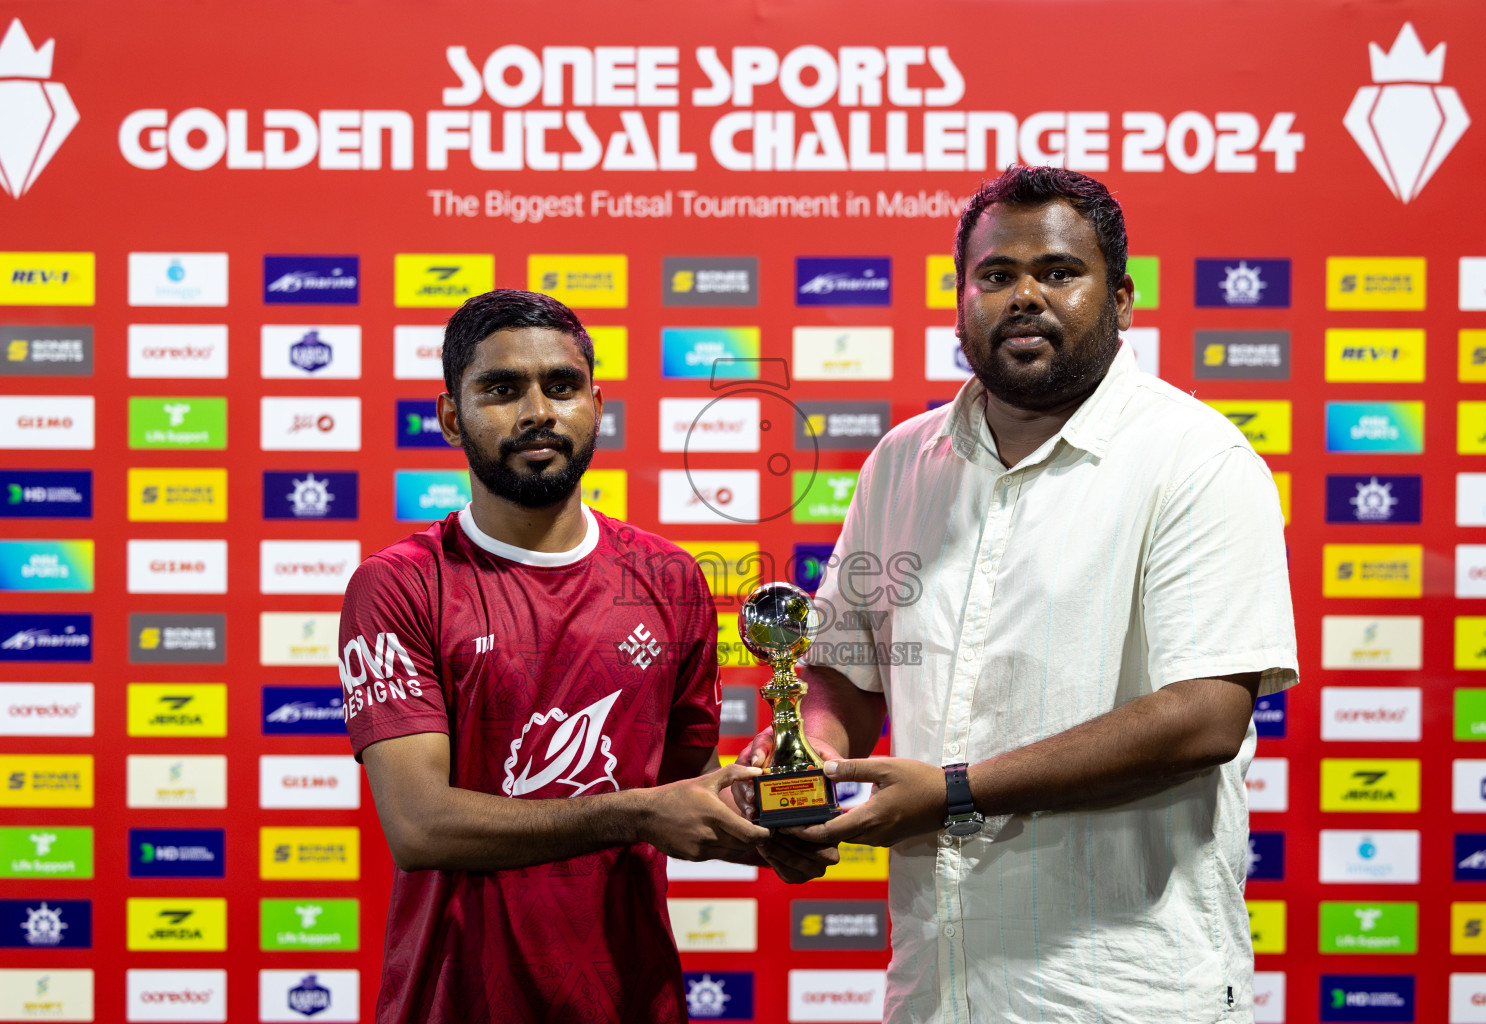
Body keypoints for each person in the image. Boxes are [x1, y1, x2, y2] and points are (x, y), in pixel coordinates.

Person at [741, 165, 1298, 1024]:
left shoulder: (1197, 460)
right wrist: (805, 758)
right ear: (961, 297)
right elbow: (844, 666)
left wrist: (956, 790)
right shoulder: (902, 461)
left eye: (1059, 272)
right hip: (940, 988)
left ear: (1123, 300)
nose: (1025, 296)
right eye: (997, 275)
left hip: (1125, 994)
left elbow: (1204, 716)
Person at [340, 289, 770, 1024]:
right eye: (503, 389)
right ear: (451, 417)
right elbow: (420, 825)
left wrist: (778, 811)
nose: (538, 411)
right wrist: (636, 814)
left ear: (596, 406)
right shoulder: (402, 584)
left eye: (561, 386)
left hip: (633, 1000)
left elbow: (683, 787)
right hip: (454, 1004)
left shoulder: (669, 578)